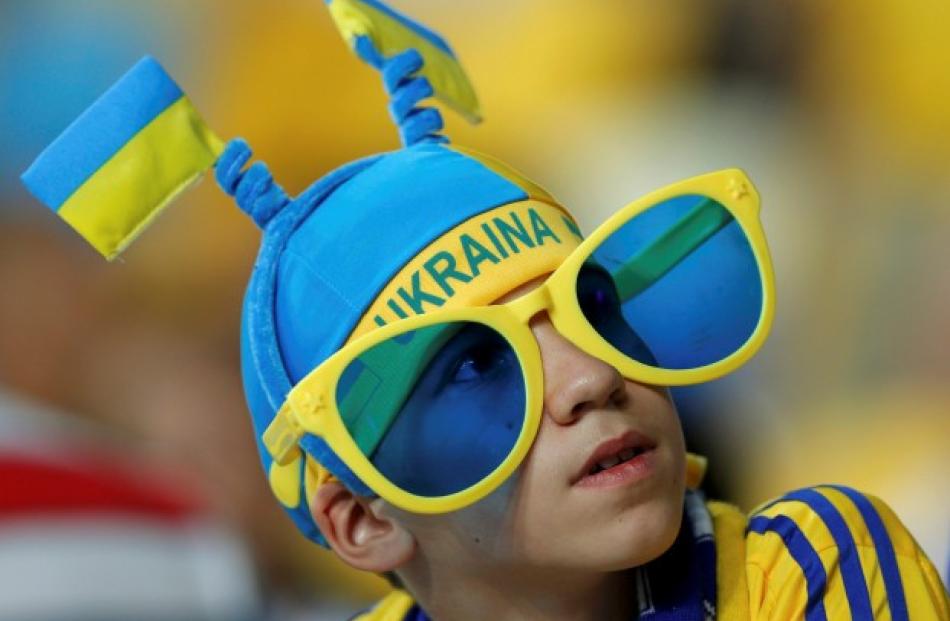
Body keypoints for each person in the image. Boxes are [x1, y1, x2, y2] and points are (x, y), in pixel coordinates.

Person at [21, 1, 949, 618]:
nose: (593, 378)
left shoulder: (817, 566)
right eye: (474, 363)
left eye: (593, 306)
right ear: (360, 517)